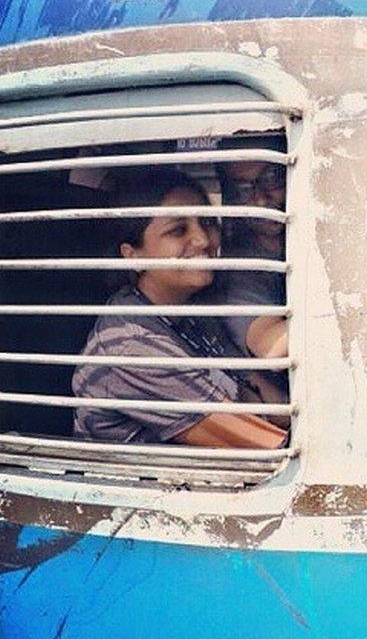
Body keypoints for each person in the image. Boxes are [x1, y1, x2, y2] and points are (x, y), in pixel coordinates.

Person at [72, 168, 287, 449]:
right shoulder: (130, 345)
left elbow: (275, 404)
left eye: (207, 222)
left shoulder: (192, 307)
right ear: (132, 255)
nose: (203, 240)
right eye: (178, 230)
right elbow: (262, 442)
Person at [215, 158, 288, 362]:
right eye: (243, 188)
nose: (261, 200)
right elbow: (270, 346)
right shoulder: (244, 269)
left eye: (271, 178)